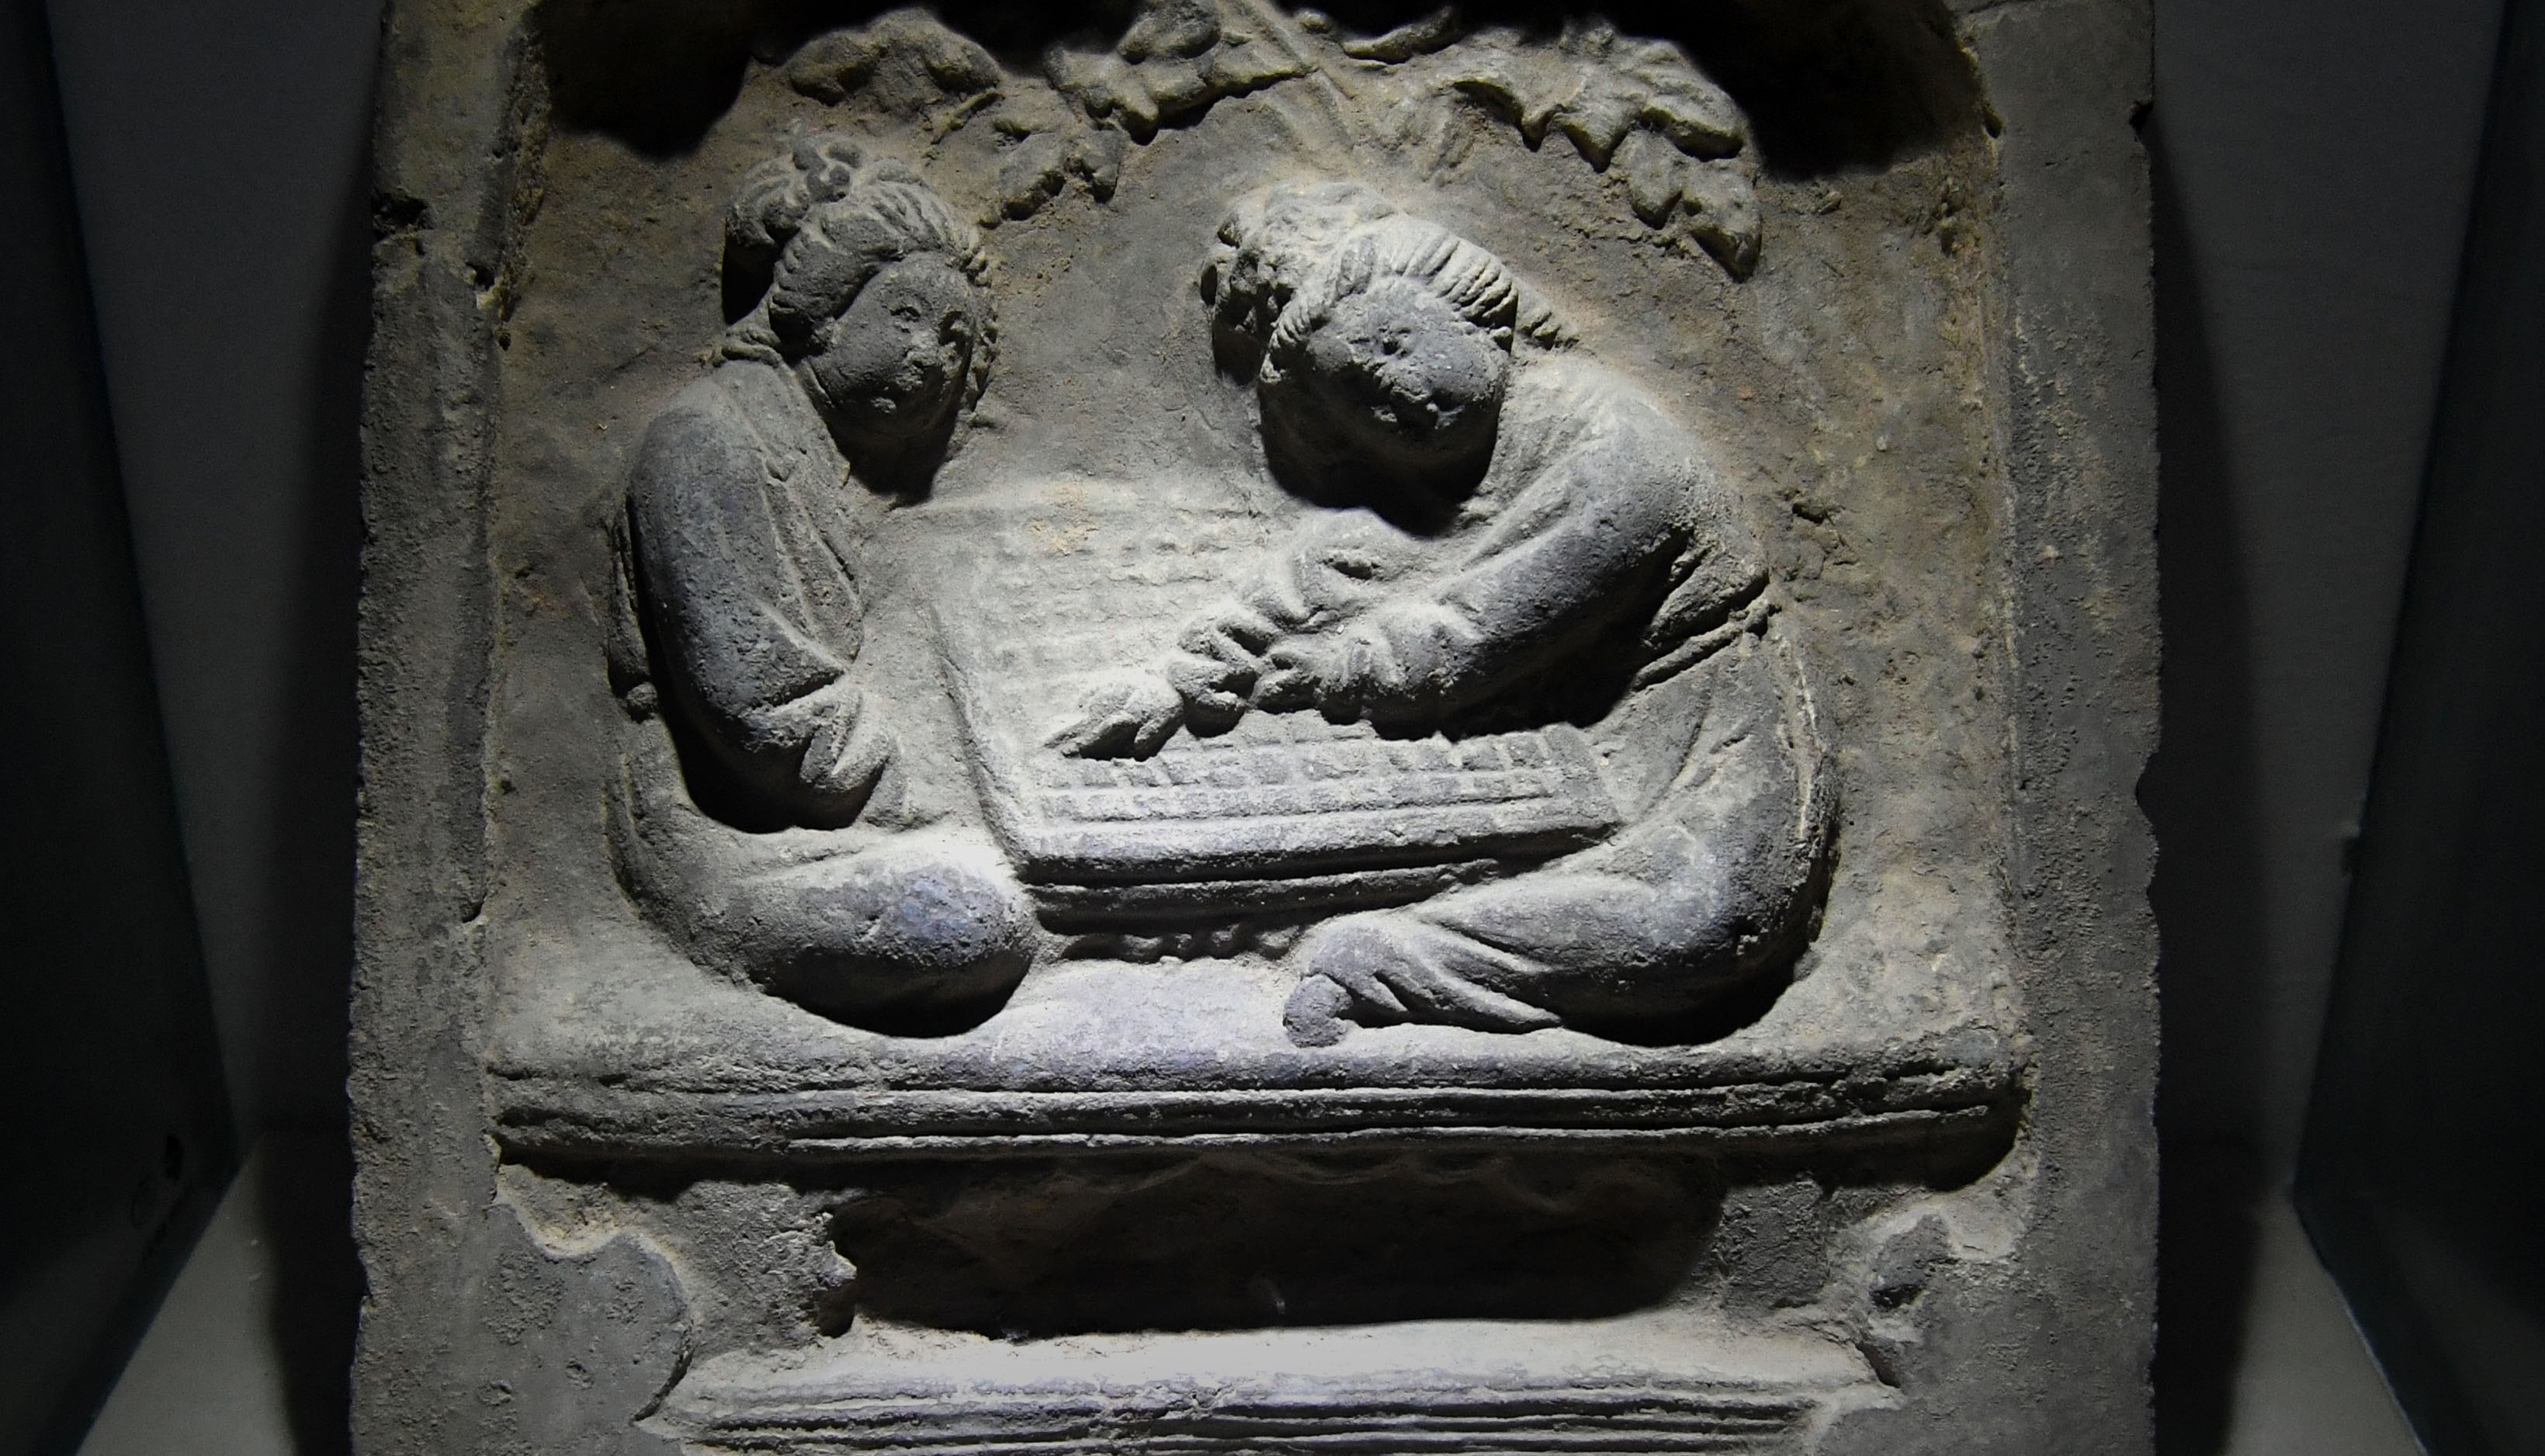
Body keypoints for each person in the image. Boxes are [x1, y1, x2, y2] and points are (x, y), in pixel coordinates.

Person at [1055, 182, 1831, 1045]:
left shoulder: (1621, 449)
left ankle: (1387, 959)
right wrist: (1181, 677)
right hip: (1562, 751)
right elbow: (1344, 566)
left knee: (1705, 919)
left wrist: (1316, 670)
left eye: (1396, 343)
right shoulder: (1457, 472)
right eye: (1358, 394)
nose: (1398, 390)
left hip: (1710, 750)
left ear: (1471, 310)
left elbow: (1472, 632)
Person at [606, 137, 1037, 1030]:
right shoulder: (710, 442)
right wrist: (940, 785)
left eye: (955, 340)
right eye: (905, 314)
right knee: (971, 922)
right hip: (725, 834)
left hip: (817, 820)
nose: (930, 356)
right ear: (826, 311)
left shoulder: (809, 458)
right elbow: (766, 714)